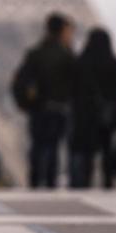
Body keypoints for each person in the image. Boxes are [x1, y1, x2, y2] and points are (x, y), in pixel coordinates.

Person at [12, 12, 76, 189]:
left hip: (38, 108)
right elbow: (76, 83)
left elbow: (20, 80)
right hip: (58, 108)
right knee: (53, 147)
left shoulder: (35, 53)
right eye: (68, 31)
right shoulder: (67, 55)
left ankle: (34, 180)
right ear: (62, 30)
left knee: (37, 145)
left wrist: (23, 103)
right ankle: (50, 183)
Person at [70, 28, 116, 189]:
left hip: (87, 114)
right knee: (107, 149)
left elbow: (75, 90)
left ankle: (86, 181)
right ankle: (107, 181)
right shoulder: (112, 62)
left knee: (87, 150)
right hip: (107, 114)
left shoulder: (82, 61)